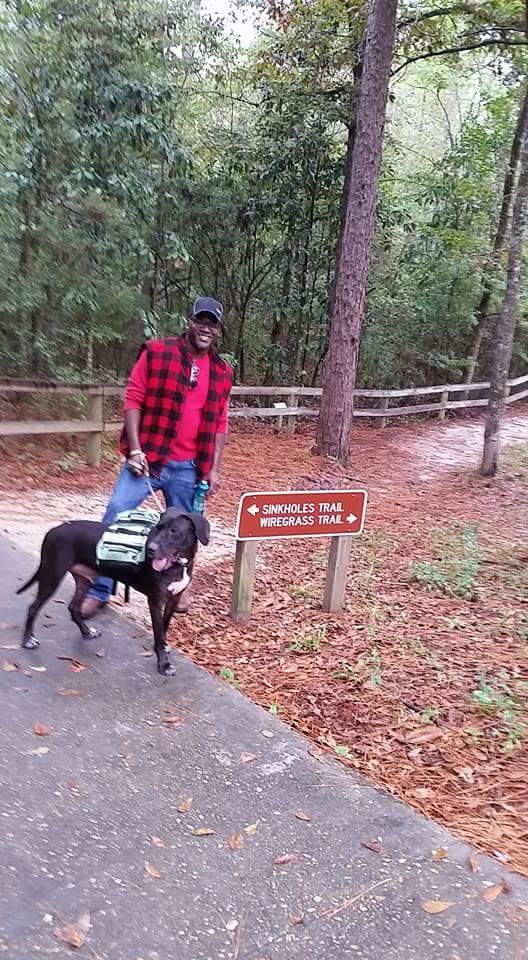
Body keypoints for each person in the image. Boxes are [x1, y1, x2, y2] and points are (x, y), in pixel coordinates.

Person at [81, 296, 232, 618]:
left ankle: (178, 588)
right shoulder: (157, 352)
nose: (205, 328)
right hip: (149, 461)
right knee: (116, 512)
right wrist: (135, 450)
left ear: (218, 330)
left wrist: (214, 469)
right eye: (200, 321)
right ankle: (101, 589)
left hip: (190, 468)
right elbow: (133, 399)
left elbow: (220, 422)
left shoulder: (221, 371)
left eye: (212, 323)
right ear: (189, 322)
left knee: (186, 533)